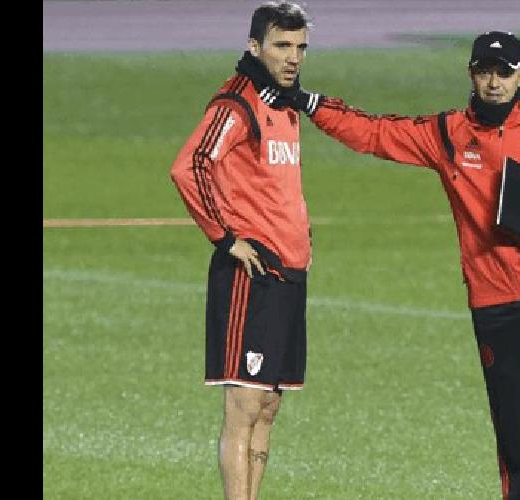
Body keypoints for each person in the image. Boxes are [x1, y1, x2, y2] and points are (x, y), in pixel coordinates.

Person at [292, 31, 520, 500]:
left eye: (504, 73)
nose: (493, 83)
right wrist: (310, 102)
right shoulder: (447, 134)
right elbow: (374, 133)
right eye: (485, 72)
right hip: (495, 299)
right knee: (514, 422)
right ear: (471, 74)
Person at [168, 2, 314, 499]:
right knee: (244, 406)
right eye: (282, 45)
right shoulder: (237, 103)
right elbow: (191, 167)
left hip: (290, 271)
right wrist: (226, 237)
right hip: (252, 273)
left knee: (269, 407)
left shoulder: (284, 102)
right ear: (255, 46)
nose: (293, 57)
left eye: (300, 47)